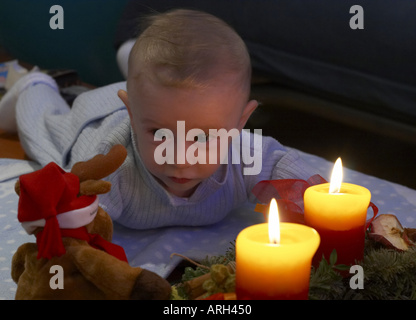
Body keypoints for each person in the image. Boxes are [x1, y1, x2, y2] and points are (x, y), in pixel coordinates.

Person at [0, 9, 315, 229]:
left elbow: (279, 164)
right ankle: (33, 85)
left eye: (202, 138)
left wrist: (316, 204)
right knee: (40, 126)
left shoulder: (241, 155)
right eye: (161, 135)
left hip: (147, 102)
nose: (180, 159)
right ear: (134, 115)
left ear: (239, 124)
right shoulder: (113, 168)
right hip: (93, 120)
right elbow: (81, 208)